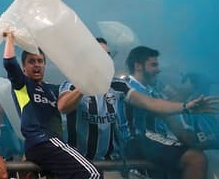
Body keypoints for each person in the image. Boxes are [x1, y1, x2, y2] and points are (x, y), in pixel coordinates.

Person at [58, 38, 212, 162]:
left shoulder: (117, 86)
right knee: (195, 159)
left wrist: (185, 107)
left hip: (114, 162)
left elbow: (148, 102)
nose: (106, 59)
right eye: (101, 55)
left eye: (108, 55)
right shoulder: (71, 85)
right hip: (83, 162)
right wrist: (86, 83)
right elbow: (63, 106)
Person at [2, 32, 102, 179]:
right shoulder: (22, 85)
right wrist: (9, 38)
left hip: (50, 144)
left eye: (41, 61)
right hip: (41, 141)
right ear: (24, 67)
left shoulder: (54, 89)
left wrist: (88, 77)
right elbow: (9, 63)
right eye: (32, 61)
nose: (37, 65)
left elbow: (69, 103)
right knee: (92, 175)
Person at [121, 45, 209, 179]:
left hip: (151, 139)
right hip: (136, 140)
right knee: (196, 158)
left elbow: (168, 104)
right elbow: (159, 107)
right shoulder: (127, 86)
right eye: (153, 65)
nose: (158, 69)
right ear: (138, 66)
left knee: (195, 145)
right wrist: (186, 106)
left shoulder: (152, 87)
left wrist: (193, 90)